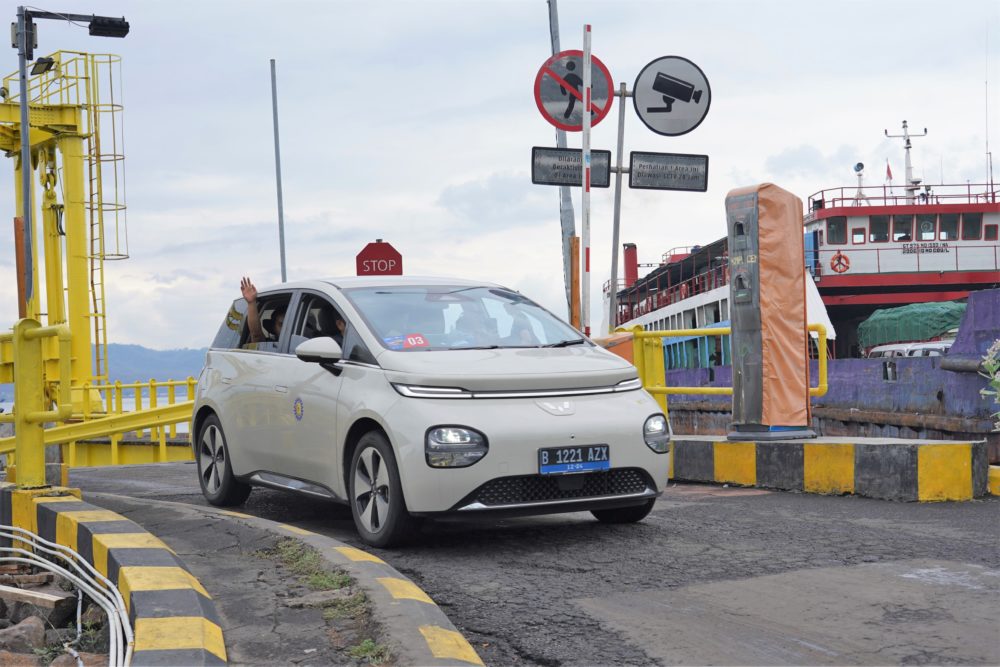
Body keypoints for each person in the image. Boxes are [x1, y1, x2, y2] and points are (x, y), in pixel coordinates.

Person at [241, 276, 284, 343]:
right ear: (273, 328)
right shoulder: (270, 346)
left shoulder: (304, 341)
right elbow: (256, 335)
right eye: (281, 324)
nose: (286, 328)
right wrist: (251, 302)